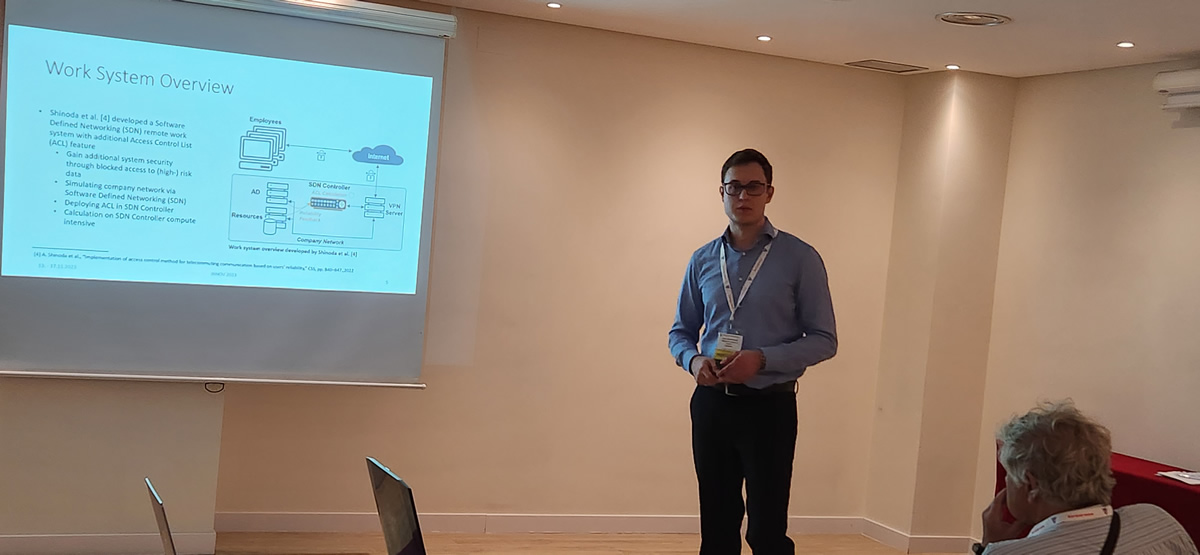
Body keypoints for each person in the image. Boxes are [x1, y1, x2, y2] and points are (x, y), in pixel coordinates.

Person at [668, 148, 837, 555]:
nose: (743, 196)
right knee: (717, 528)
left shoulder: (800, 258)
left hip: (769, 408)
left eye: (753, 187)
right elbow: (680, 333)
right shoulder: (702, 259)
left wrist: (761, 360)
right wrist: (694, 360)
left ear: (769, 193)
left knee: (766, 530)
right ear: (722, 192)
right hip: (712, 406)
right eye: (734, 187)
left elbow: (824, 339)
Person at [977, 400, 1198, 555]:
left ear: (1030, 484)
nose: (1006, 482)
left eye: (1009, 474)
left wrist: (989, 547)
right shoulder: (1157, 520)